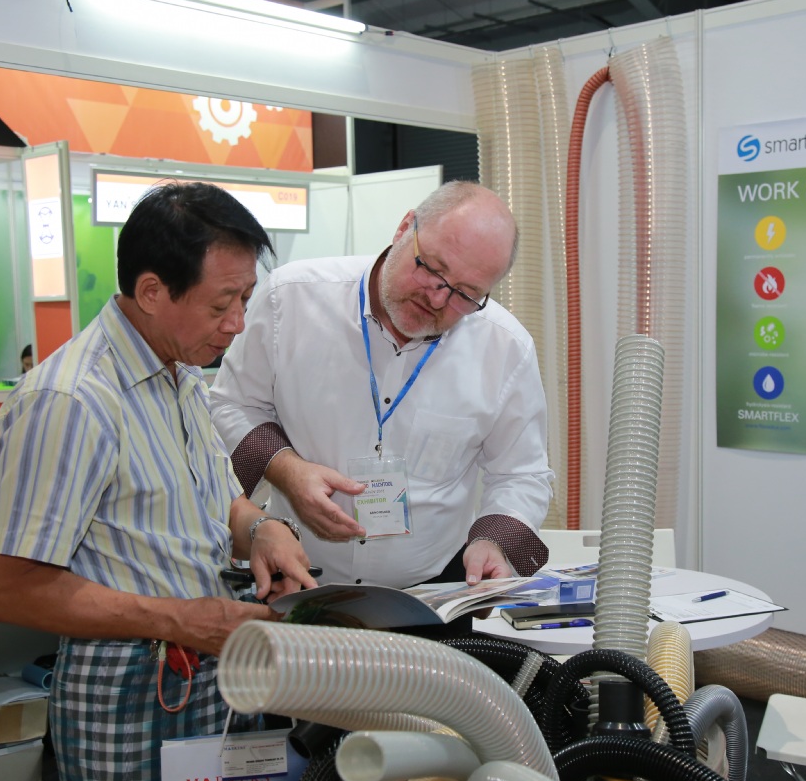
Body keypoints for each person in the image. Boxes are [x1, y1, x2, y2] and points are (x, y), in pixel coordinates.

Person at [0, 181, 317, 781]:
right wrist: (179, 619)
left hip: (215, 672)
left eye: (245, 299)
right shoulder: (71, 400)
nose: (237, 324)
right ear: (152, 291)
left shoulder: (182, 375)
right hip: (128, 689)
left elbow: (215, 503)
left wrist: (262, 528)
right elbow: (6, 589)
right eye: (221, 304)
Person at [210, 181, 553, 591]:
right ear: (405, 228)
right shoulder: (291, 299)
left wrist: (494, 541)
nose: (438, 299)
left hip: (434, 591)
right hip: (298, 578)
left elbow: (522, 473)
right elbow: (232, 405)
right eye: (433, 269)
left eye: (465, 294)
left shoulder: (505, 348)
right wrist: (288, 470)